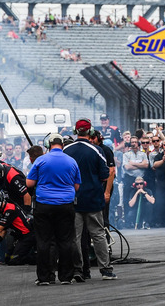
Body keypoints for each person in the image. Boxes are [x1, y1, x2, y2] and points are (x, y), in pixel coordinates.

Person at [63, 119, 117, 281]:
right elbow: (105, 174)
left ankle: (78, 270)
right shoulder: (97, 150)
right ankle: (105, 270)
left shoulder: (67, 150)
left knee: (75, 237)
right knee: (99, 235)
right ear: (89, 132)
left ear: (75, 131)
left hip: (73, 199)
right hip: (93, 198)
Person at [26, 133, 80, 286]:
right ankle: (66, 276)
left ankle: (44, 277)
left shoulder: (41, 160)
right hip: (65, 205)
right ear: (62, 145)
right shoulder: (72, 161)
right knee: (65, 241)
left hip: (44, 205)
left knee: (44, 241)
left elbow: (29, 183)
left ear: (49, 145)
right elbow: (76, 186)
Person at [0, 189, 36, 265]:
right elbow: (4, 229)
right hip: (19, 237)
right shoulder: (3, 210)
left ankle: (33, 257)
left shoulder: (9, 209)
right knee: (7, 259)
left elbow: (0, 228)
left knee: (14, 261)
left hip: (27, 236)